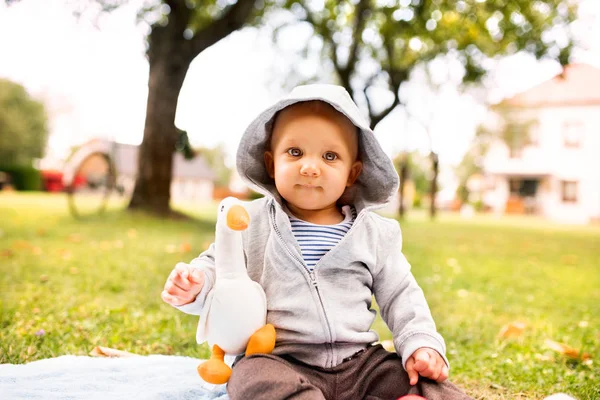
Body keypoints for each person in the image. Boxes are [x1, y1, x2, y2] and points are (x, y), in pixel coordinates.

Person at [162, 84, 472, 400]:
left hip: (360, 363)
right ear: (272, 164)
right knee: (249, 377)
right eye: (295, 152)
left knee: (422, 381)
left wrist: (420, 342)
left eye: (330, 156)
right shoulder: (249, 221)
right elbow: (220, 265)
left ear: (352, 174)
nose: (310, 167)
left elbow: (401, 294)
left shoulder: (375, 234)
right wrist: (196, 283)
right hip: (282, 359)